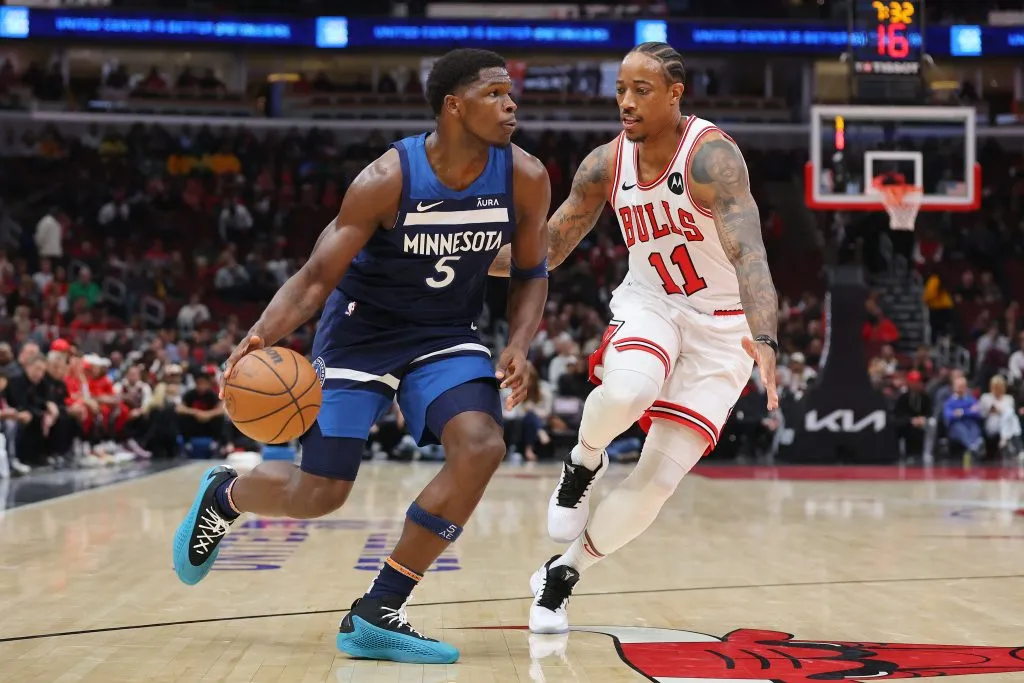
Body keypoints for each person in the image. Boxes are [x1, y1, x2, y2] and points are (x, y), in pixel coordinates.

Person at [171, 48, 550, 664]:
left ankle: (379, 608)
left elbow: (533, 269)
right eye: (495, 93)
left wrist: (518, 344)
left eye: (512, 94)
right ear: (455, 106)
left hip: (446, 332)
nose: (512, 105)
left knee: (482, 445)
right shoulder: (387, 179)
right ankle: (228, 495)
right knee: (321, 493)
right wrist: (261, 334)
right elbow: (317, 276)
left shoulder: (525, 175)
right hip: (359, 333)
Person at [489, 41, 778, 634]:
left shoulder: (712, 159)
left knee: (656, 482)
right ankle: (582, 462)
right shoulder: (603, 164)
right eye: (620, 90)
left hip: (723, 328)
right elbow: (552, 245)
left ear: (676, 94)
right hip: (653, 304)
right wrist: (465, 259)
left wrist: (767, 338)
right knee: (627, 391)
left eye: (641, 91)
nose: (626, 102)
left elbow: (750, 250)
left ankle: (561, 574)